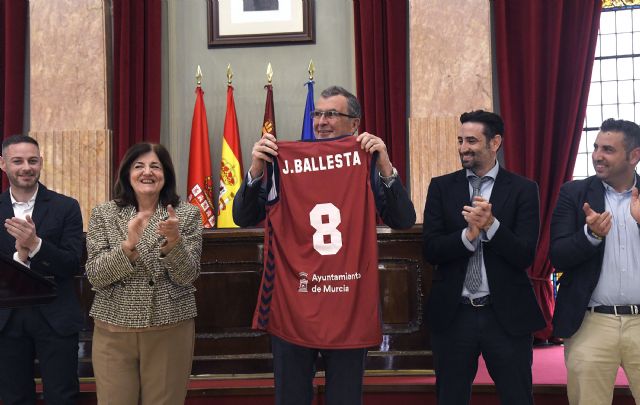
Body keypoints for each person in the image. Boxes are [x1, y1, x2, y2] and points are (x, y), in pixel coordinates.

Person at [233, 85, 415, 405]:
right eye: (317, 113)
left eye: (332, 114)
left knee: (345, 399)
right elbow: (242, 216)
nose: (321, 121)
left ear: (355, 123)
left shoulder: (368, 162)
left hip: (348, 308)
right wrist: (255, 170)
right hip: (294, 306)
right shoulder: (284, 162)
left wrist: (385, 165)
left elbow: (403, 219)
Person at [422, 110, 545, 404]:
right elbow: (430, 249)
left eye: (472, 141)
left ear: (495, 142)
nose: (464, 147)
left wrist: (492, 226)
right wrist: (467, 237)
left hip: (505, 317)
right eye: (460, 140)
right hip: (454, 316)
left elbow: (525, 255)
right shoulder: (441, 187)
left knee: (517, 397)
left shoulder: (524, 190)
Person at [85, 143, 202, 405]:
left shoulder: (186, 214)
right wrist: (128, 247)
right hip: (113, 328)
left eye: (155, 166)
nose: (147, 172)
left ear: (166, 174)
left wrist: (174, 242)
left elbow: (188, 275)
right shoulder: (104, 214)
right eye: (139, 166)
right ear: (127, 173)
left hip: (169, 327)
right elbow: (95, 275)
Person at [550, 118, 640, 405]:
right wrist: (590, 235)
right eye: (596, 147)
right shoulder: (574, 194)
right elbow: (557, 254)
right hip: (591, 323)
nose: (598, 156)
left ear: (634, 155)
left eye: (609, 150)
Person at [0, 134, 84, 404]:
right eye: (18, 161)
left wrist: (36, 245)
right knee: (13, 398)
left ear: (41, 163)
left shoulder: (66, 206)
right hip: (6, 319)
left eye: (32, 161)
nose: (26, 167)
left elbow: (72, 263)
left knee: (62, 396)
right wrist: (19, 255)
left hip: (56, 316)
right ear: (3, 164)